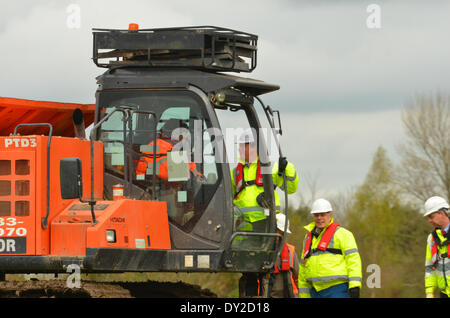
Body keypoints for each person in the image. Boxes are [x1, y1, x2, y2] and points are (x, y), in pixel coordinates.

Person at [231, 128, 299, 297]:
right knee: (248, 270)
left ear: (253, 147)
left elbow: (291, 187)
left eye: (242, 146)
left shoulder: (269, 168)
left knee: (266, 267)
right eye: (239, 146)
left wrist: (287, 168)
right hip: (245, 229)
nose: (239, 149)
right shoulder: (235, 173)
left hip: (266, 226)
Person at [298, 198, 362, 298]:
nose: (319, 218)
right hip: (314, 291)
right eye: (316, 215)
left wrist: (355, 286)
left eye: (322, 215)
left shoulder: (343, 234)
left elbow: (353, 261)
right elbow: (303, 268)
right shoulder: (308, 238)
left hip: (337, 289)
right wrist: (303, 295)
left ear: (330, 215)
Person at [423, 196, 450, 298]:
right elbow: (429, 266)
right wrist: (429, 291)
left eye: (431, 216)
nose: (429, 220)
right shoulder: (432, 239)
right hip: (443, 294)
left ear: (442, 213)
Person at [268, 213, 299, 298]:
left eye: (280, 231)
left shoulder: (290, 251)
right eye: (276, 230)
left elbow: (298, 277)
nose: (277, 234)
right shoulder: (262, 251)